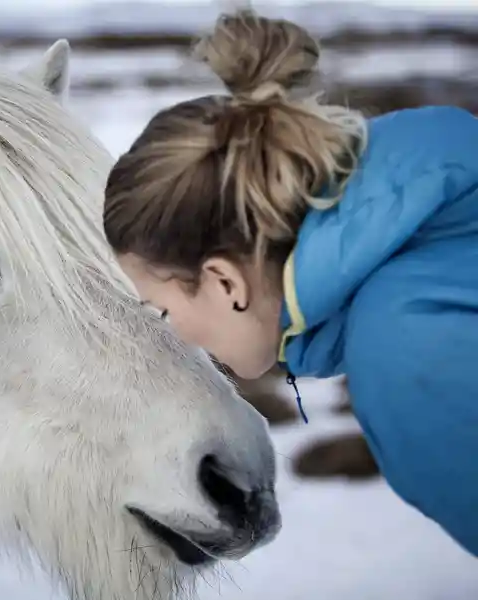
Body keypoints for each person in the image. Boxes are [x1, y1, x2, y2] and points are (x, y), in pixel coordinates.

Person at [102, 8, 478, 557]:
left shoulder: (403, 349)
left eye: (161, 311)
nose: (175, 338)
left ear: (226, 283)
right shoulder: (439, 218)